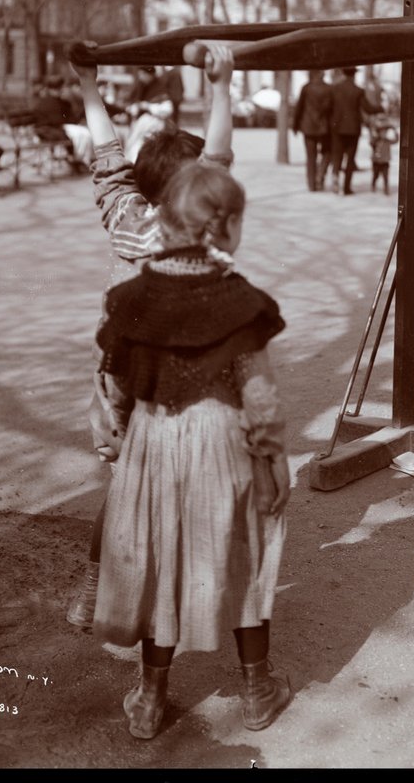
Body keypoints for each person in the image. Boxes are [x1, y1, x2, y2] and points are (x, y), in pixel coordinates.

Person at [93, 161, 292, 739]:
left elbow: (117, 383)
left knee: (159, 564)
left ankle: (151, 698)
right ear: (224, 228)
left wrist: (128, 431)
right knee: (242, 558)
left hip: (152, 441)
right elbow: (260, 395)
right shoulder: (237, 299)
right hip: (222, 440)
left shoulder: (130, 297)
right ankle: (257, 690)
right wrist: (274, 459)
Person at [62, 44, 236, 630]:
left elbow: (106, 155)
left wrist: (88, 82)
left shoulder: (125, 220)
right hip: (168, 388)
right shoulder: (188, 236)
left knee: (125, 487)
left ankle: (95, 588)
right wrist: (220, 87)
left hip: (116, 382)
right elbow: (218, 158)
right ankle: (159, 593)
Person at [328, 67, 381, 195]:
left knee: (337, 156)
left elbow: (328, 107)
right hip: (353, 129)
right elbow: (368, 109)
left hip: (337, 128)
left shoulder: (334, 89)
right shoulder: (358, 91)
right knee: (350, 159)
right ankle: (346, 188)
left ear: (343, 74)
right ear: (354, 75)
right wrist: (380, 108)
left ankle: (335, 177)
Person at [291, 69, 334, 192]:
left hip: (308, 127)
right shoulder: (329, 89)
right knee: (327, 152)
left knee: (311, 157)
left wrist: (295, 126)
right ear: (323, 75)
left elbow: (299, 108)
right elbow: (331, 109)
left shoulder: (306, 88)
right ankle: (320, 174)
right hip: (324, 127)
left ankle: (311, 185)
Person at [367, 111, 399, 196]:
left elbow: (395, 141)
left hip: (385, 161)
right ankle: (373, 185)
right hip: (376, 161)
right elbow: (371, 142)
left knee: (386, 176)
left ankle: (386, 189)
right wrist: (375, 135)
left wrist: (395, 132)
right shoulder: (375, 140)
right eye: (382, 131)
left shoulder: (387, 141)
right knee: (375, 175)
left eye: (385, 132)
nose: (384, 133)